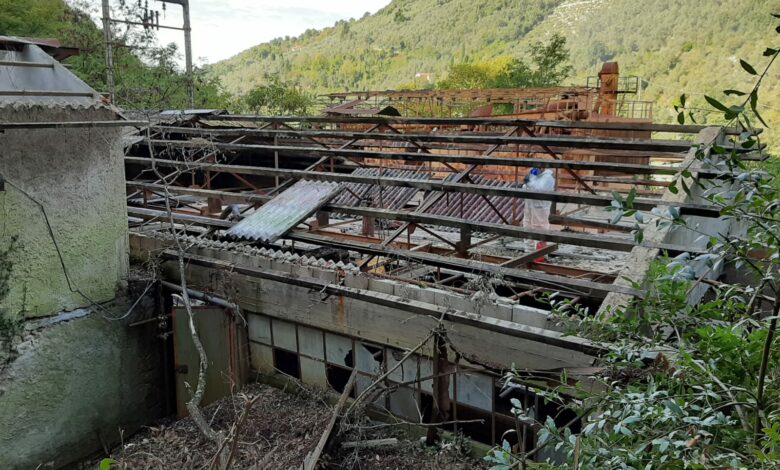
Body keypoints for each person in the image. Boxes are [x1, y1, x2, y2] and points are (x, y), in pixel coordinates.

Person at [522, 168, 555, 257]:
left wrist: (529, 182)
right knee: (527, 226)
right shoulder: (534, 175)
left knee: (539, 228)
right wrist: (527, 181)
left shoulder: (548, 178)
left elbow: (539, 189)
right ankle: (528, 252)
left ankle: (541, 255)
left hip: (540, 207)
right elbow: (525, 188)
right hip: (529, 205)